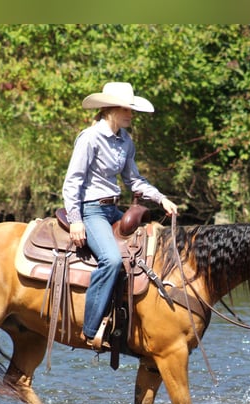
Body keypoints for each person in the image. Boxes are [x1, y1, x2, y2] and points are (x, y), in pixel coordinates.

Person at [62, 82, 178, 350]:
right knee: (112, 260)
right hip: (91, 209)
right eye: (127, 109)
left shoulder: (125, 140)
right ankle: (90, 330)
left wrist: (162, 198)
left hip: (113, 208)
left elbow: (133, 180)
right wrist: (76, 219)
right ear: (111, 109)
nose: (131, 114)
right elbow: (73, 182)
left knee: (148, 252)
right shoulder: (89, 138)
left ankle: (128, 322)